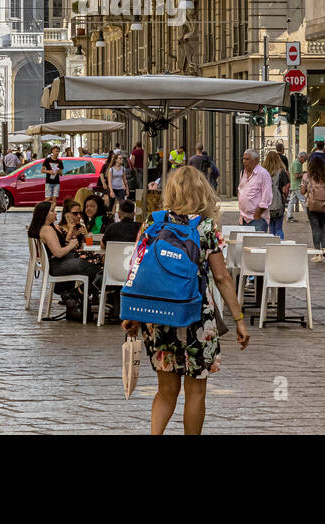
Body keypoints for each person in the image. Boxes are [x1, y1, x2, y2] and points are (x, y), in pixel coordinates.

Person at [122, 166, 249, 435]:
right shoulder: (205, 228)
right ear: (202, 191)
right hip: (195, 317)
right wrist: (238, 320)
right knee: (196, 392)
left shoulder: (152, 222)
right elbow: (222, 277)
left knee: (166, 390)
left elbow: (138, 270)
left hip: (156, 315)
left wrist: (133, 315)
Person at [38, 198, 102, 314]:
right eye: (75, 213)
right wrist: (71, 237)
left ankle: (81, 293)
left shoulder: (78, 227)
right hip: (66, 261)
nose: (78, 216)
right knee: (100, 270)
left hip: (73, 257)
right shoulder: (54, 229)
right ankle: (78, 293)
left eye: (79, 213)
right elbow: (60, 251)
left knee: (100, 266)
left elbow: (88, 245)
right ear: (67, 214)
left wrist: (86, 235)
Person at [302, 153, 325, 261]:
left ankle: (317, 253)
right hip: (323, 205)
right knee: (322, 227)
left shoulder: (307, 176)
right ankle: (324, 249)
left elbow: (302, 191)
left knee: (315, 228)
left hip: (312, 205)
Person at [237, 148, 271, 232]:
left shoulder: (263, 174)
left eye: (247, 159)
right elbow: (241, 191)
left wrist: (257, 214)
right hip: (244, 219)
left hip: (257, 219)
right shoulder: (243, 173)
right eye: (243, 159)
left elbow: (267, 197)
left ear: (256, 160)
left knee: (256, 244)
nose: (244, 161)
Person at [262, 149, 290, 240]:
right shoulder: (281, 172)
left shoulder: (264, 172)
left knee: (271, 228)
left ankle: (272, 246)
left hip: (267, 203)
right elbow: (286, 188)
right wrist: (284, 198)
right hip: (278, 202)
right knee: (279, 228)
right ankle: (280, 245)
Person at [287, 150, 307, 222]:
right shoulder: (297, 163)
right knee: (303, 200)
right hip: (297, 185)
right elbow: (296, 175)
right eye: (304, 159)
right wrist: (304, 173)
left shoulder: (297, 163)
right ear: (301, 157)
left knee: (292, 201)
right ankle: (309, 216)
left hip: (295, 185)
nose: (304, 161)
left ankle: (289, 216)